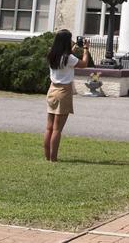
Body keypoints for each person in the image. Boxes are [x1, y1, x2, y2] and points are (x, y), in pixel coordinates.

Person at [44, 29, 82, 162]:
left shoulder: (52, 54)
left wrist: (74, 47)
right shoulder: (69, 58)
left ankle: (47, 156)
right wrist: (87, 50)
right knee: (57, 129)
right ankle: (53, 159)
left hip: (52, 90)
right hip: (63, 91)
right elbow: (84, 64)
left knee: (49, 128)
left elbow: (66, 56)